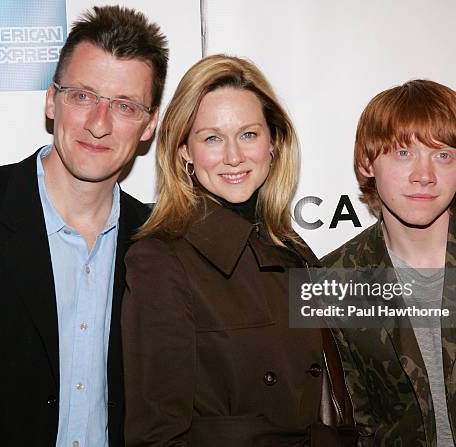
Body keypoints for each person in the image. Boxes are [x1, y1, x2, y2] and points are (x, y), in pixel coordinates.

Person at [0, 6, 168, 446]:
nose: (99, 124)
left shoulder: (161, 244)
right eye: (82, 96)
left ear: (150, 124)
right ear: (50, 100)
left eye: (125, 105)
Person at [121, 54, 356, 446]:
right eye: (212, 137)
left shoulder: (289, 246)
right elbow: (156, 435)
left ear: (274, 142)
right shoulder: (161, 260)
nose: (234, 156)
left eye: (248, 134)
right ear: (184, 150)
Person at [322, 80, 456, 446]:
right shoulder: (333, 281)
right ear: (367, 163)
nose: (424, 175)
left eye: (443, 155)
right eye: (403, 153)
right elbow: (356, 427)